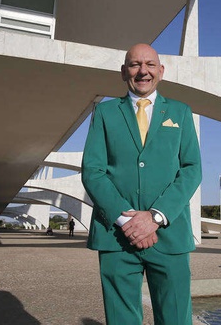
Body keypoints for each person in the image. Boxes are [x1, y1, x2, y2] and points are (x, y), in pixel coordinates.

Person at [82, 43, 202, 325]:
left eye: (149, 64)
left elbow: (192, 169)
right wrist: (127, 220)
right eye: (135, 65)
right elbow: (92, 171)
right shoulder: (104, 113)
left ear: (161, 71)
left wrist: (156, 217)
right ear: (124, 72)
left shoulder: (181, 112)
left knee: (175, 318)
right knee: (121, 318)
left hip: (169, 235)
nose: (143, 71)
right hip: (116, 236)